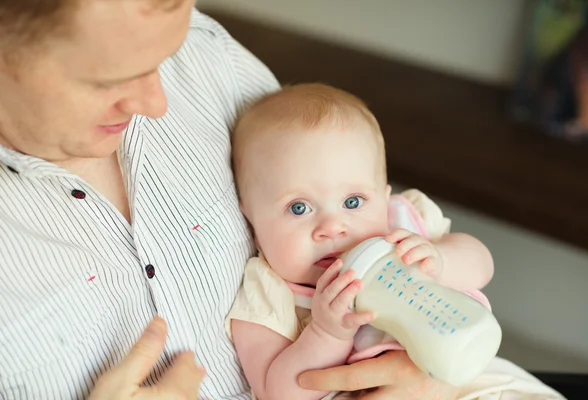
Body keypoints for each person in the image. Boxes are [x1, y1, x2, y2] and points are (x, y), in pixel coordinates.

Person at [0, 0, 467, 399]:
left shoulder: (207, 57)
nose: (157, 103)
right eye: (105, 80)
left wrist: (419, 371)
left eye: (162, 59)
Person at [225, 83, 495, 400]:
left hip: (470, 381)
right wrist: (327, 333)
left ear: (385, 198)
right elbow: (277, 393)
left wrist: (442, 261)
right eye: (299, 208)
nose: (333, 227)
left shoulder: (402, 232)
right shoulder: (269, 294)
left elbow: (483, 264)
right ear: (251, 218)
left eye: (353, 202)